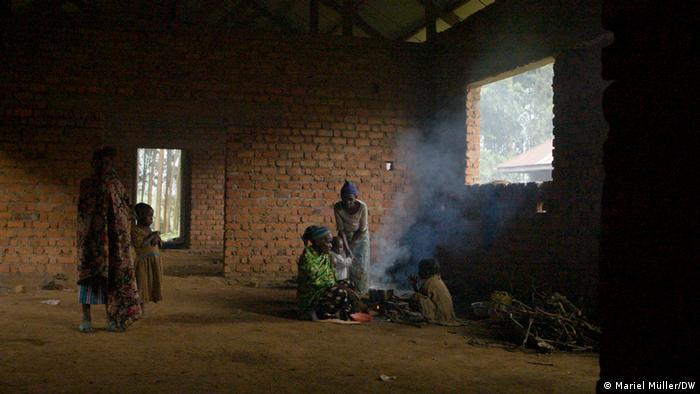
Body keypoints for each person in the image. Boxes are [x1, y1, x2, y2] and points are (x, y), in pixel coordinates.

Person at [77, 147, 141, 332]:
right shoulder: (87, 185)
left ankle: (111, 317)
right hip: (92, 240)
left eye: (107, 163)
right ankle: (86, 318)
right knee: (89, 278)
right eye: (99, 163)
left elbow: (126, 210)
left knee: (111, 279)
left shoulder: (117, 186)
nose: (103, 166)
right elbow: (83, 212)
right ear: (93, 164)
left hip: (114, 241)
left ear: (111, 165)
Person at [297, 225, 360, 323]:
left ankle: (345, 312)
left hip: (325, 289)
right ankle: (320, 313)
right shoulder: (308, 258)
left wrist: (346, 287)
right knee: (340, 292)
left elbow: (332, 279)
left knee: (349, 284)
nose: (331, 245)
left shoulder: (326, 256)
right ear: (318, 242)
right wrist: (344, 289)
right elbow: (319, 284)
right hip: (312, 296)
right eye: (328, 242)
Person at [333, 180, 370, 293]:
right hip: (345, 236)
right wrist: (347, 247)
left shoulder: (363, 207)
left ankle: (361, 291)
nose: (347, 202)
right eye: (344, 199)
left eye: (350, 199)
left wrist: (351, 245)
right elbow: (341, 229)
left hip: (361, 237)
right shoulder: (338, 207)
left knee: (361, 264)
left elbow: (362, 229)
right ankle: (348, 291)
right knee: (346, 265)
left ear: (356, 197)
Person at [132, 203, 164, 316]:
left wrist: (157, 238)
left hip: (153, 262)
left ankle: (144, 306)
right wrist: (152, 236)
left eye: (152, 216)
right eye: (149, 216)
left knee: (150, 284)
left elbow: (157, 244)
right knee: (142, 285)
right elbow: (140, 244)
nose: (151, 219)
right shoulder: (135, 230)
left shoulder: (149, 230)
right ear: (139, 216)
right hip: (143, 263)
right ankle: (140, 308)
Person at [408, 258, 458, 326]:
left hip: (439, 316)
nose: (419, 272)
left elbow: (419, 296)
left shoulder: (430, 283)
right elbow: (423, 294)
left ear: (427, 271)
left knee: (415, 297)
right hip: (447, 316)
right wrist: (414, 284)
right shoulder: (436, 279)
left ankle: (429, 318)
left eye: (421, 270)